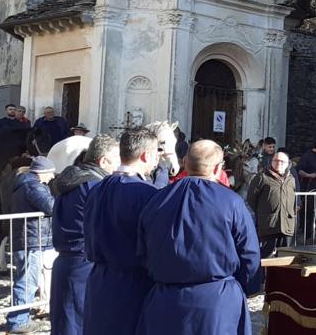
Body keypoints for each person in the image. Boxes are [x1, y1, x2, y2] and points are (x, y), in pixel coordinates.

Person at [135, 140, 261, 335]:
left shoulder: (157, 199)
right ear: (218, 168)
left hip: (165, 300)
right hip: (215, 303)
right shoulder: (231, 202)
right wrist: (246, 287)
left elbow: (142, 250)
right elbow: (249, 253)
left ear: (185, 162)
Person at [83, 127, 161, 335]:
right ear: (146, 155)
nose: (157, 160)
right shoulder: (148, 193)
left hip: (98, 279)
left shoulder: (96, 189)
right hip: (133, 283)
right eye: (156, 154)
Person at [49, 135, 119, 335]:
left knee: (65, 323)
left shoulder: (71, 180)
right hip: (84, 261)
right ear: (103, 161)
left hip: (66, 260)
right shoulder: (96, 186)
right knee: (79, 324)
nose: (118, 165)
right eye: (115, 159)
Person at [5, 156, 56, 334]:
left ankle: (19, 319)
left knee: (26, 281)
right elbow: (51, 206)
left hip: (28, 239)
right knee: (27, 283)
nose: (52, 177)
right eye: (51, 173)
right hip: (31, 241)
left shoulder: (25, 183)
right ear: (42, 172)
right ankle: (18, 323)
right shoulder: (34, 186)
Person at [247, 151, 296, 258]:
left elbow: (293, 198)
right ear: (271, 162)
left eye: (282, 161)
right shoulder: (261, 177)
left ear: (288, 164)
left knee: (284, 256)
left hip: (286, 225)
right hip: (268, 224)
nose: (279, 163)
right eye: (276, 160)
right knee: (266, 256)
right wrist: (263, 211)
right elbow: (251, 198)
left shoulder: (291, 179)